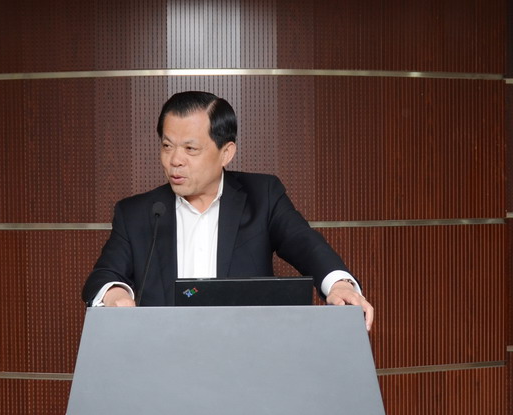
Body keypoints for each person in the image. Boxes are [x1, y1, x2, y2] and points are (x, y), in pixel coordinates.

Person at [82, 91, 374, 331]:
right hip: (161, 357)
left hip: (246, 358)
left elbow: (305, 244)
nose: (175, 160)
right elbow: (105, 275)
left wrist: (339, 284)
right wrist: (115, 294)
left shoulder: (262, 196)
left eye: (190, 149)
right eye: (167, 146)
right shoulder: (137, 213)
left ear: (226, 153)